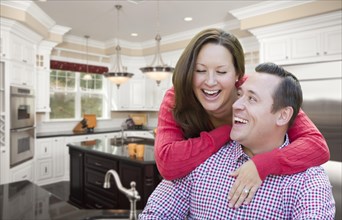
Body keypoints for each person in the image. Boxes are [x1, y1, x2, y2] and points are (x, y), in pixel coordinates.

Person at [154, 28, 329, 207]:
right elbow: (167, 163)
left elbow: (316, 146)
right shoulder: (177, 98)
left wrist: (262, 164)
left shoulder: (253, 89)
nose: (211, 81)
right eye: (200, 70)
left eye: (221, 72)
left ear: (237, 74)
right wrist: (228, 130)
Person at [140, 62, 335, 219]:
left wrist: (263, 164)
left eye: (252, 99)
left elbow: (318, 145)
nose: (236, 104)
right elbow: (155, 213)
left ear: (283, 116)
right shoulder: (203, 158)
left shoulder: (309, 183)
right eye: (240, 95)